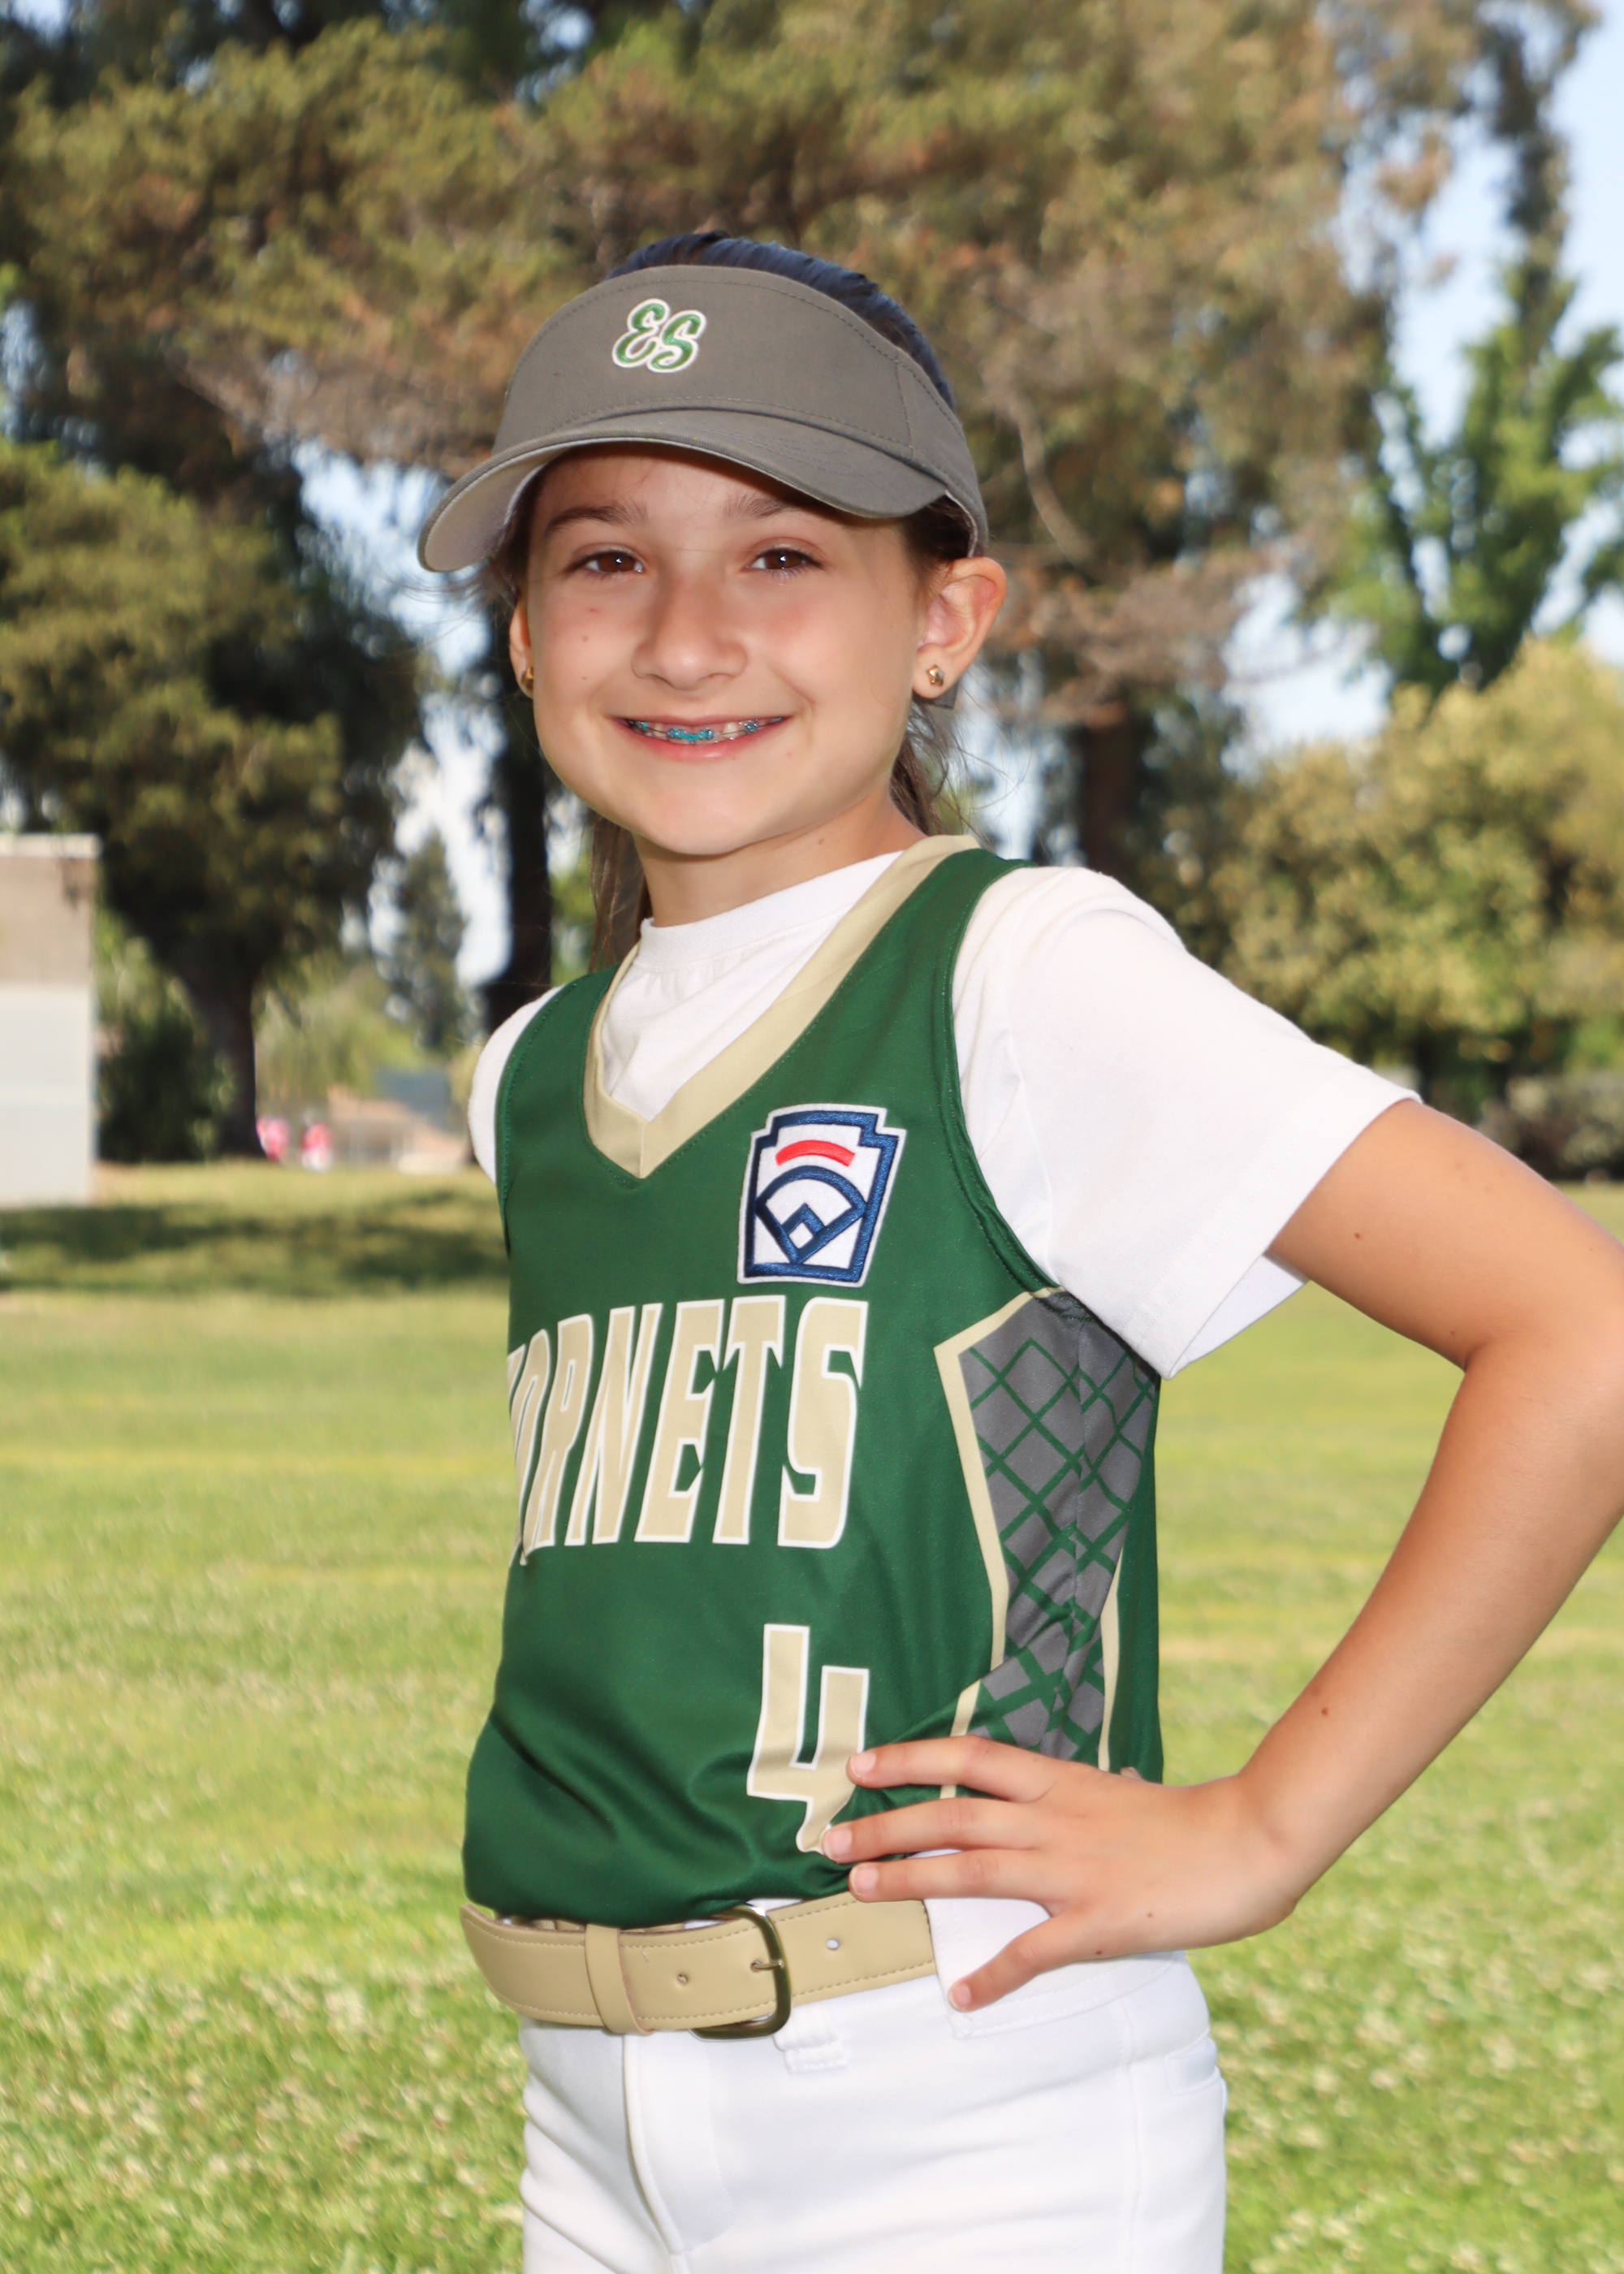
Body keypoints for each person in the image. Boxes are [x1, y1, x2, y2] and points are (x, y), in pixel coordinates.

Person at [417, 236, 1624, 2274]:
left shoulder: (1017, 969)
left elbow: (1577, 1325)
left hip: (962, 2097)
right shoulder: (532, 1071)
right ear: (526, 634)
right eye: (604, 557)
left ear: (944, 618)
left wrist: (1261, 1825)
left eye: (782, 555)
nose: (688, 636)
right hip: (584, 2120)